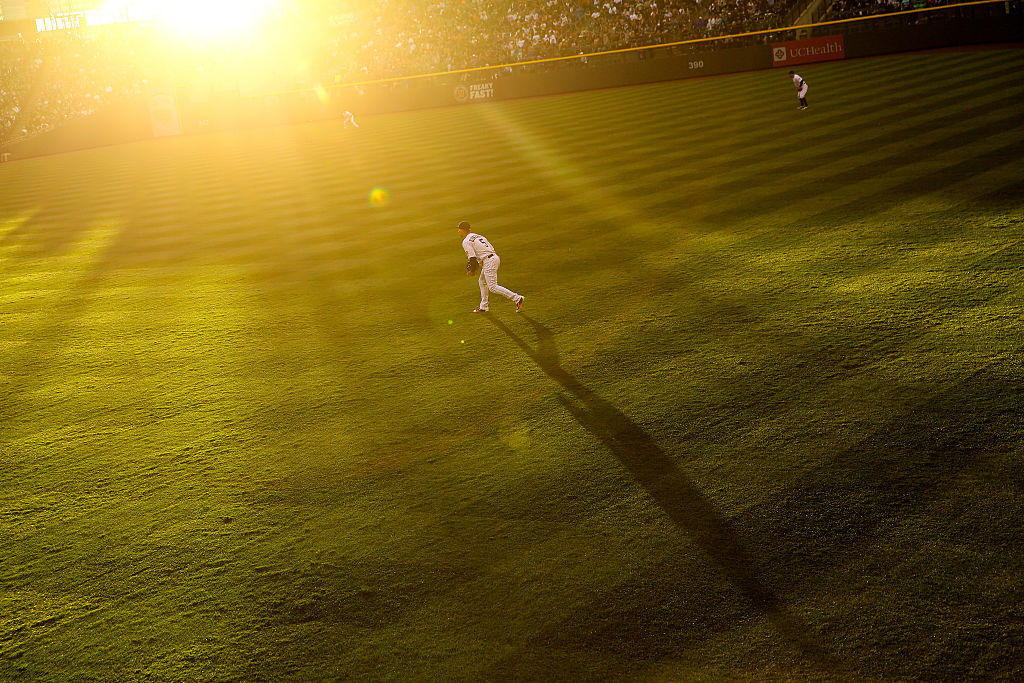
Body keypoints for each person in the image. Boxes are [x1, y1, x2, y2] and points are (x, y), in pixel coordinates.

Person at [457, 220, 524, 313]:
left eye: (459, 229)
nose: (458, 231)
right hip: (493, 258)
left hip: (489, 260)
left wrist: (472, 270)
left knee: (492, 287)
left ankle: (517, 298)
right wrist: (479, 264)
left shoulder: (466, 241)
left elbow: (472, 258)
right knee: (482, 281)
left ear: (463, 230)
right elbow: (483, 252)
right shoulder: (478, 236)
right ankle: (484, 306)